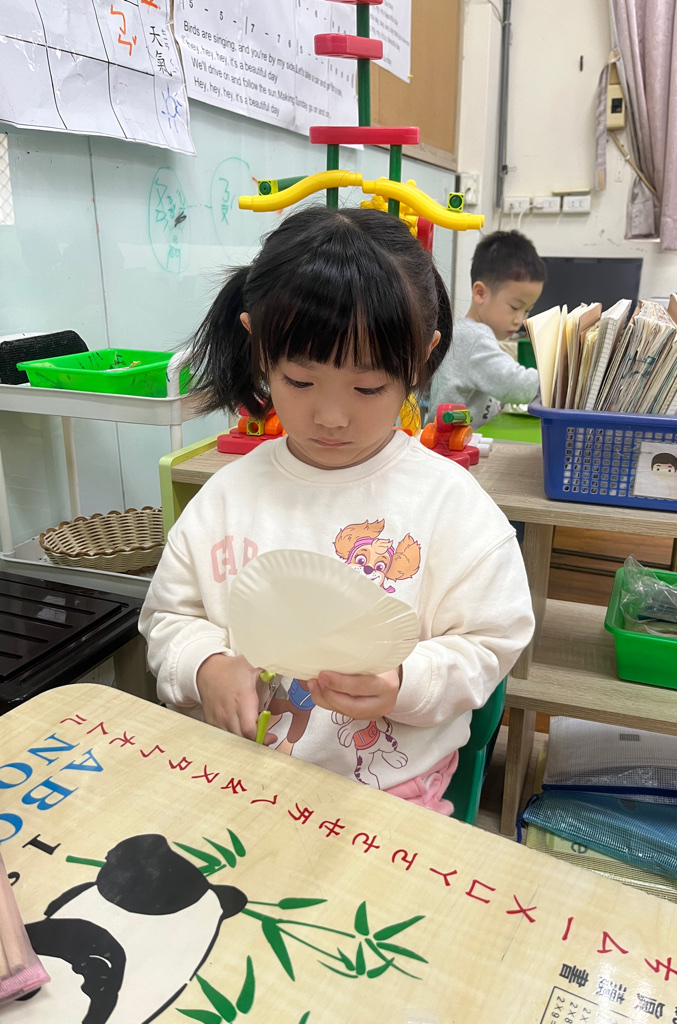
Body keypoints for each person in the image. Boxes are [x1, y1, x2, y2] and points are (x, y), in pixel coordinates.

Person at [139, 206, 534, 815]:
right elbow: (169, 617)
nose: (330, 416)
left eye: (368, 387)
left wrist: (405, 681)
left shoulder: (451, 508)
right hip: (234, 783)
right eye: (299, 381)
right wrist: (204, 665)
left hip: (386, 799)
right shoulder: (225, 497)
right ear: (258, 344)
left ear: (422, 356)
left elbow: (491, 640)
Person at [426, 229, 545, 427]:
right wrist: (556, 380)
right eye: (515, 307)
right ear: (480, 293)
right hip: (449, 441)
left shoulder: (467, 333)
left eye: (527, 310)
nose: (520, 319)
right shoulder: (473, 337)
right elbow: (514, 385)